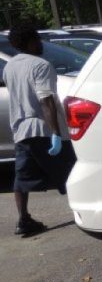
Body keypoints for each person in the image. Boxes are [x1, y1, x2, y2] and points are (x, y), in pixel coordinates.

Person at [3, 24, 76, 236]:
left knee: (21, 178)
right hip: (43, 129)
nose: (40, 43)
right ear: (29, 42)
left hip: (21, 131)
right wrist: (55, 133)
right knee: (71, 172)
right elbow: (46, 100)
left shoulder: (10, 67)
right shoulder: (40, 65)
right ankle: (90, 213)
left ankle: (23, 220)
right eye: (37, 38)